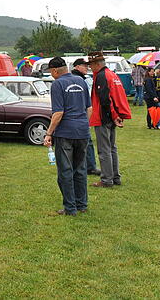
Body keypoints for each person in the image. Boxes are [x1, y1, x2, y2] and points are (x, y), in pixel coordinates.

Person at [43, 57, 92, 216]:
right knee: (80, 169)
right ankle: (82, 204)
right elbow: (89, 108)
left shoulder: (57, 84)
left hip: (65, 134)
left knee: (65, 171)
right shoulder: (81, 81)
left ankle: (70, 208)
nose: (51, 75)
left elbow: (58, 113)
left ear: (55, 70)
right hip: (82, 132)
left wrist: (49, 133)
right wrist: (83, 124)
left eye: (51, 72)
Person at [87, 52, 131, 188]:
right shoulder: (112, 74)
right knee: (112, 148)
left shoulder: (101, 76)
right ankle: (115, 176)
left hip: (103, 117)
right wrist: (116, 115)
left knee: (104, 149)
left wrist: (113, 115)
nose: (90, 68)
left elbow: (105, 99)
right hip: (111, 117)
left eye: (91, 65)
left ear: (96, 64)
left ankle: (106, 179)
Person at [71, 58, 100, 176]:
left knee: (85, 141)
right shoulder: (75, 79)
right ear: (77, 67)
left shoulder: (85, 79)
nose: (87, 68)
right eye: (84, 66)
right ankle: (89, 166)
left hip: (84, 112)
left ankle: (88, 166)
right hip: (79, 114)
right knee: (84, 141)